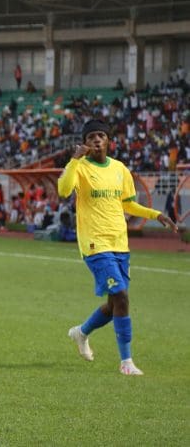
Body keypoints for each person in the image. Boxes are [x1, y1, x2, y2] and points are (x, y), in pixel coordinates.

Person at [59, 119, 178, 376]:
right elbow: (64, 189)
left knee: (115, 305)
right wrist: (73, 160)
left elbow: (129, 204)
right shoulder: (80, 167)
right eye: (91, 137)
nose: (97, 140)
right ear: (86, 143)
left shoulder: (120, 169)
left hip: (119, 243)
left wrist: (157, 214)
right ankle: (126, 362)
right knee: (122, 296)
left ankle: (81, 333)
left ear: (109, 140)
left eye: (101, 135)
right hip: (94, 244)